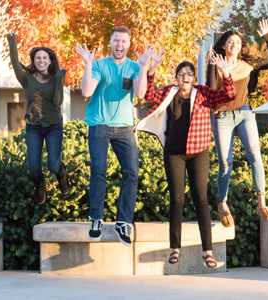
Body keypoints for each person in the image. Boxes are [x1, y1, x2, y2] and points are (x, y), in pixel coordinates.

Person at [137, 48, 236, 268]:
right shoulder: (169, 93)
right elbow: (148, 95)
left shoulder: (202, 93)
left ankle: (208, 252)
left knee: (201, 199)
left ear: (194, 78)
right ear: (176, 77)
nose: (185, 77)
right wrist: (151, 70)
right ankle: (175, 248)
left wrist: (225, 73)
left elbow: (229, 96)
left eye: (189, 74)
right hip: (174, 152)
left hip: (199, 151)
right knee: (177, 200)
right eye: (181, 74)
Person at [75, 26, 150, 246]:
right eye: (116, 41)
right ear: (110, 42)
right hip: (100, 125)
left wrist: (144, 66)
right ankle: (96, 219)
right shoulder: (99, 65)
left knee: (132, 173)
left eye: (123, 41)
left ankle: (122, 222)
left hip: (125, 128)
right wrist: (88, 64)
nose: (119, 45)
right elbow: (87, 91)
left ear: (129, 44)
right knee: (99, 171)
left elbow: (139, 94)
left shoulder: (134, 67)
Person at [206, 19, 268, 227]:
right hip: (222, 117)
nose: (234, 45)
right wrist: (213, 65)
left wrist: (267, 37)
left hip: (245, 114)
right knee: (224, 164)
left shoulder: (248, 65)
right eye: (230, 42)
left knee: (256, 156)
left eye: (238, 42)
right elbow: (211, 90)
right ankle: (222, 203)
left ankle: (261, 203)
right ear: (223, 45)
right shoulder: (216, 65)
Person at [7, 32, 68, 205]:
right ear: (33, 61)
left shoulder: (57, 76)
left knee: (54, 166)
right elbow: (14, 62)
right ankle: (40, 185)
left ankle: (62, 175)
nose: (41, 61)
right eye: (37, 58)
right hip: (34, 127)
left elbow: (58, 101)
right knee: (33, 169)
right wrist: (12, 41)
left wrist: (59, 80)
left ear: (50, 61)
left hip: (54, 125)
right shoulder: (26, 79)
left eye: (44, 58)